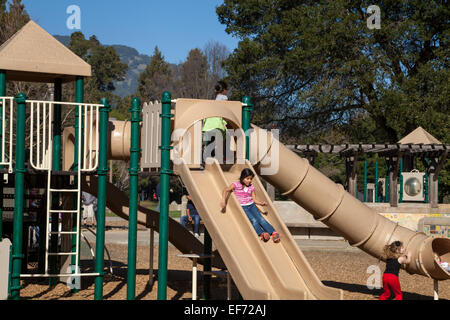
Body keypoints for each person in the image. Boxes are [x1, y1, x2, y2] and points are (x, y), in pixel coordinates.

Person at [220, 168, 280, 243]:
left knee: (261, 219)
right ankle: (262, 233)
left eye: (251, 179)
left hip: (252, 205)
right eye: (247, 178)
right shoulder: (235, 185)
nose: (249, 180)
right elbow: (225, 190)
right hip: (243, 207)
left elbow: (254, 199)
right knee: (254, 220)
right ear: (242, 178)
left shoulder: (251, 187)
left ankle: (273, 232)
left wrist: (261, 203)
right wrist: (223, 200)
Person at [201, 80, 229, 167]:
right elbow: (225, 112)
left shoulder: (212, 99)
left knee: (210, 144)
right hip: (217, 126)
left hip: (207, 126)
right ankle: (222, 157)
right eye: (226, 90)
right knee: (224, 139)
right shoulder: (224, 98)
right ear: (224, 90)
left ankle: (205, 160)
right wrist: (225, 122)